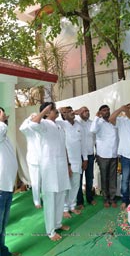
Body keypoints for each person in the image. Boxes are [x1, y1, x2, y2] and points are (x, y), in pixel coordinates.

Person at [29, 102, 71, 241]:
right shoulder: (44, 124)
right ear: (47, 112)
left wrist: (68, 165)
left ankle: (58, 224)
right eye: (52, 109)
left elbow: (63, 147)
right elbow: (32, 124)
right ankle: (50, 231)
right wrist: (44, 111)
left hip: (61, 166)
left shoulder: (58, 125)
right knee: (50, 199)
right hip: (49, 167)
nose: (56, 111)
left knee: (60, 195)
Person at [58, 106, 87, 218]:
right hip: (66, 161)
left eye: (72, 111)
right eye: (68, 111)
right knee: (66, 186)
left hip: (78, 161)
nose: (71, 112)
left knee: (76, 185)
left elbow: (83, 144)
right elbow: (53, 119)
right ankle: (64, 208)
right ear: (64, 114)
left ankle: (72, 206)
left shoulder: (79, 125)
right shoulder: (61, 124)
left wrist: (85, 158)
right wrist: (62, 110)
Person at [0, 107, 20, 256]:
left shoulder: (4, 135)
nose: (4, 116)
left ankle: (3, 252)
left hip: (6, 188)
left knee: (3, 226)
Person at [90, 105, 118, 208]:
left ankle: (113, 198)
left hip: (113, 154)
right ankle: (106, 199)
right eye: (104, 110)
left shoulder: (114, 122)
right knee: (104, 177)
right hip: (103, 155)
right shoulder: (98, 123)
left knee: (113, 178)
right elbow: (92, 130)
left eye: (108, 110)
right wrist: (97, 117)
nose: (107, 112)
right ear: (100, 112)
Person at [19, 113, 42, 208]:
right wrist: (29, 117)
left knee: (45, 181)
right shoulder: (29, 130)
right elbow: (21, 128)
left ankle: (45, 198)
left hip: (45, 159)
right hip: (33, 160)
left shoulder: (42, 128)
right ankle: (37, 201)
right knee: (35, 181)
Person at [75, 106, 96, 209]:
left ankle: (90, 198)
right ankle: (79, 202)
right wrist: (76, 112)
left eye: (88, 111)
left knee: (89, 178)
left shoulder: (92, 123)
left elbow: (95, 139)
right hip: (79, 156)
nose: (87, 112)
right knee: (78, 179)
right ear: (79, 113)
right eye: (84, 111)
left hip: (90, 155)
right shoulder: (76, 123)